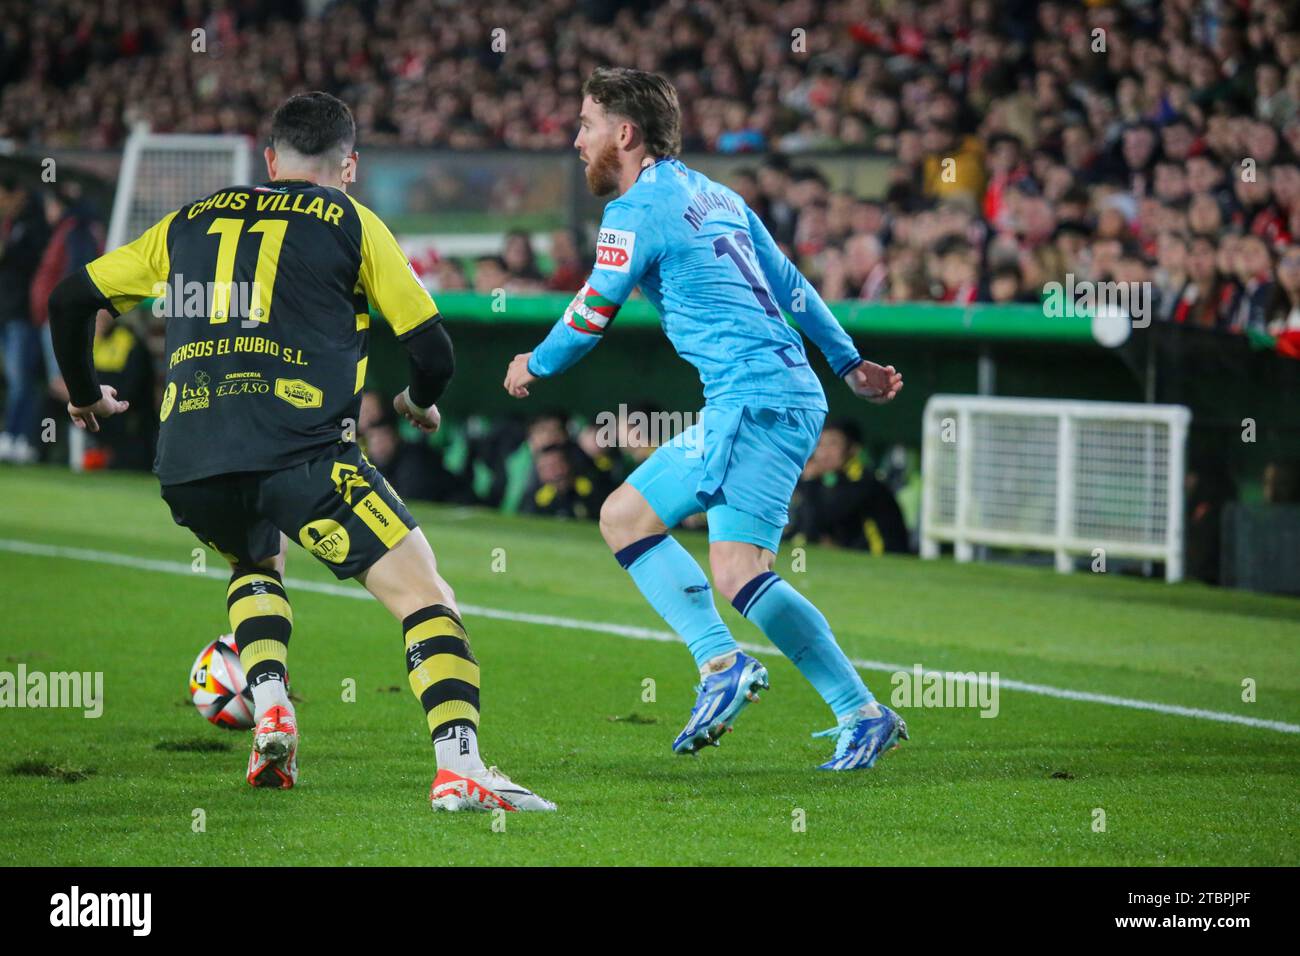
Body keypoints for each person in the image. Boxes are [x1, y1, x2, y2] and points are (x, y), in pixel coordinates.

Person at [48, 91, 551, 812]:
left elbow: (70, 299)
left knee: (255, 562)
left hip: (190, 460)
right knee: (423, 595)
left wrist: (86, 394)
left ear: (270, 159)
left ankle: (272, 704)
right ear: (348, 166)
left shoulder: (189, 220)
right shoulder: (350, 219)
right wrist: (417, 399)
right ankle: (461, 766)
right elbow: (432, 348)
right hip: (304, 452)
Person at [503, 68, 907, 772]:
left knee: (629, 520)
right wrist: (847, 365)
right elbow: (793, 286)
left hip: (752, 400)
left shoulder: (634, 212)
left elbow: (591, 313)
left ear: (624, 134)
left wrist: (533, 365)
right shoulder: (718, 194)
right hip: (782, 394)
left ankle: (724, 665)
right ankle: (860, 713)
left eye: (587, 125)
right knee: (737, 569)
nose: (577, 141)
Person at [0, 178, 51, 464]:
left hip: (23, 314)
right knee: (15, 379)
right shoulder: (12, 225)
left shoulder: (33, 225)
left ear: (16, 193)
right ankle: (15, 436)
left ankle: (20, 438)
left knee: (23, 380)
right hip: (7, 313)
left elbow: (29, 265)